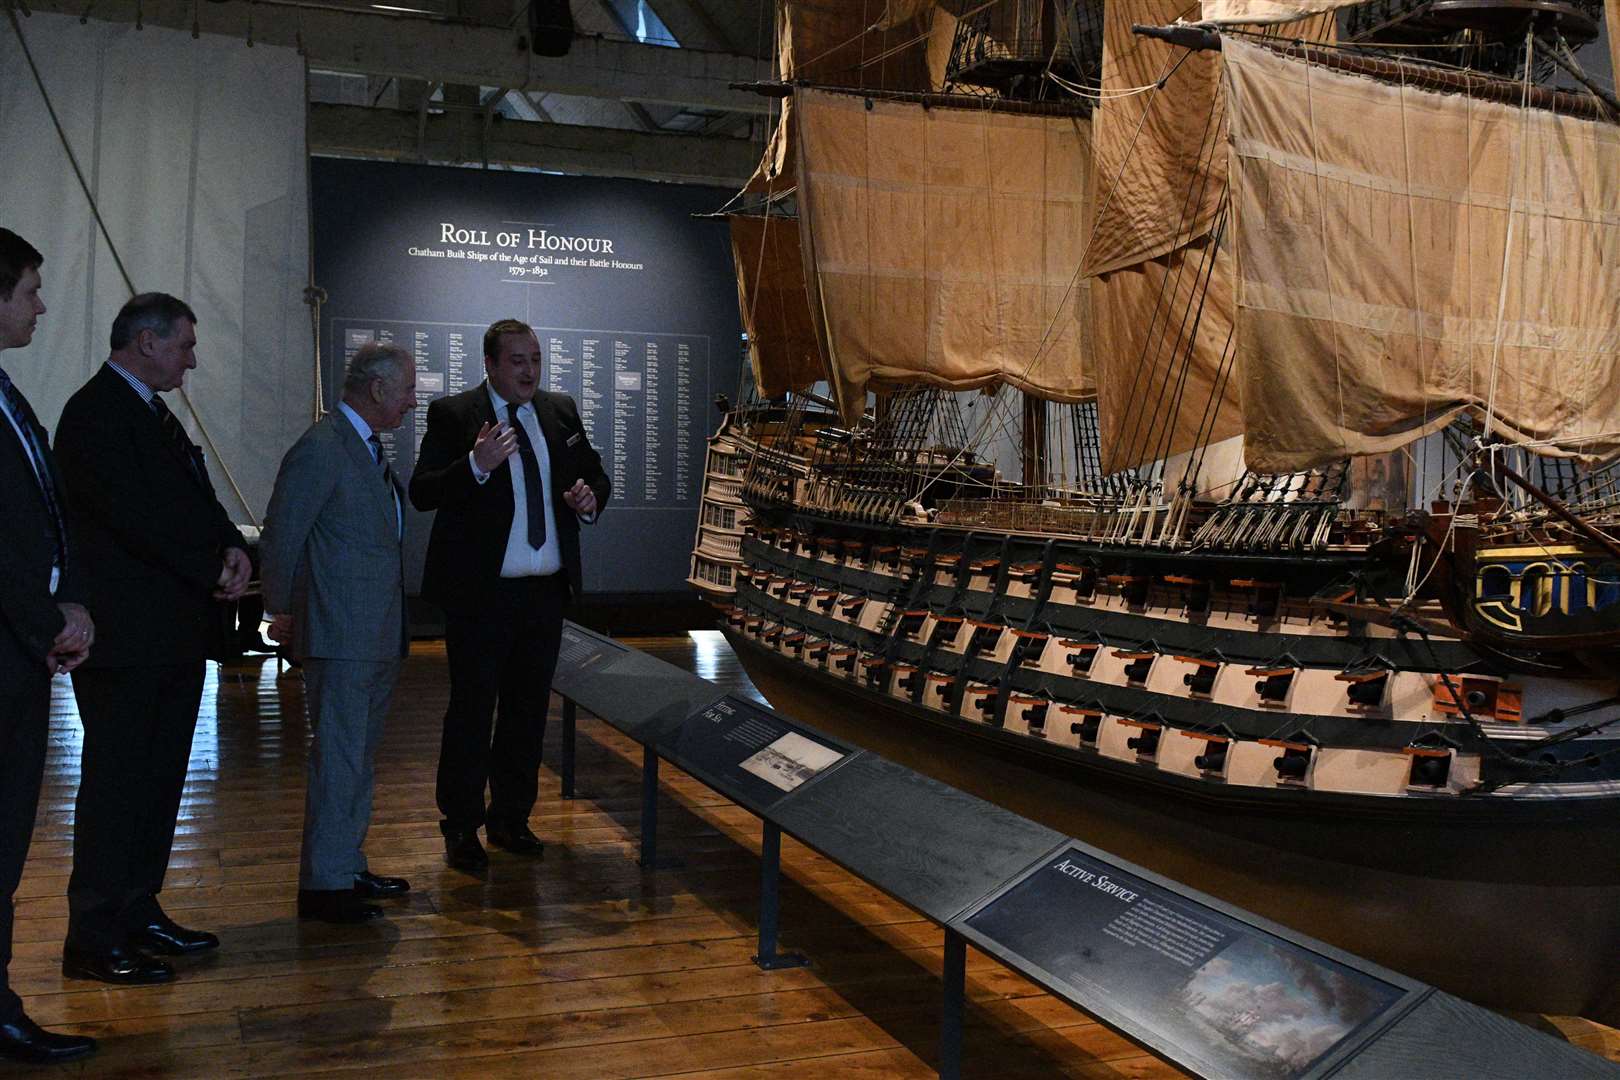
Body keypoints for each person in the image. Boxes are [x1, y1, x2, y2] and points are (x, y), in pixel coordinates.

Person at [53, 293, 251, 985]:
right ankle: (94, 935)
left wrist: (232, 547)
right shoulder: (95, 413)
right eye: (185, 346)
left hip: (170, 634)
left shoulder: (150, 411)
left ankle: (139, 909)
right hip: (126, 639)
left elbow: (193, 500)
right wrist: (207, 563)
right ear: (145, 340)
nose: (192, 360)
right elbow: (130, 516)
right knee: (117, 785)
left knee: (160, 779)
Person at [409, 318, 609, 872]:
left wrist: (589, 497)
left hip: (545, 593)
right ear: (491, 365)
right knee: (472, 713)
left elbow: (595, 476)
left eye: (536, 359)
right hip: (480, 597)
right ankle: (461, 826)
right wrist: (476, 464)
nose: (529, 371)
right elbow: (422, 491)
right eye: (517, 360)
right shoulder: (454, 416)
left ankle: (511, 818)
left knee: (526, 712)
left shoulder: (560, 410)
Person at [259, 342, 416, 924]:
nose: (411, 402)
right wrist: (279, 610)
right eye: (405, 391)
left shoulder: (362, 448)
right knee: (341, 758)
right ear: (376, 390)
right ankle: (325, 886)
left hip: (371, 635)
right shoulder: (324, 447)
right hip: (341, 636)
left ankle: (345, 864)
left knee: (357, 758)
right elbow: (282, 533)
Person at [0, 231, 98, 1063]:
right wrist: (50, 618)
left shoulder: (6, 392)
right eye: (30, 289)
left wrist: (68, 601)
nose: (41, 304)